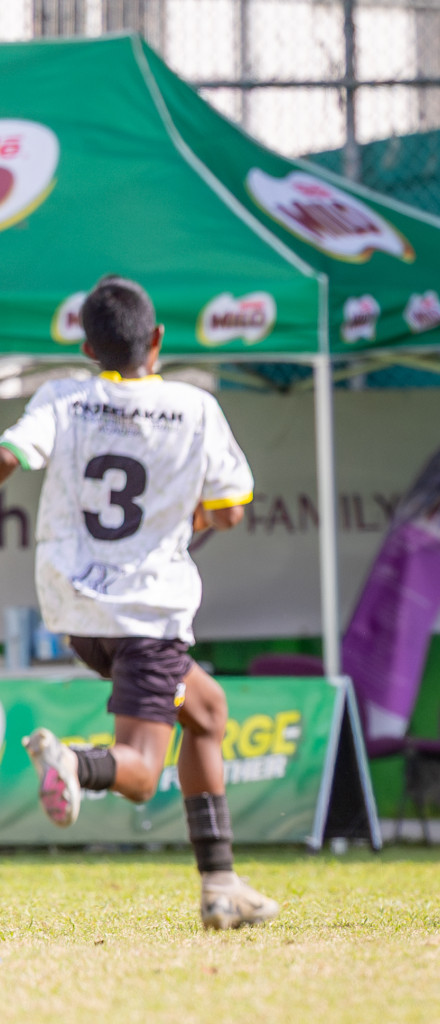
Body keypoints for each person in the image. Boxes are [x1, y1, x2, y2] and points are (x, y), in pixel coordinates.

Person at [0, 275, 280, 930]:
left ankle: (221, 885)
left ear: (87, 347)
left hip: (78, 614)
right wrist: (191, 518)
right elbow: (231, 507)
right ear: (156, 341)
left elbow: (12, 453)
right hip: (147, 615)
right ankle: (73, 760)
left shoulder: (64, 399)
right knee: (142, 771)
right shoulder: (194, 408)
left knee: (207, 710)